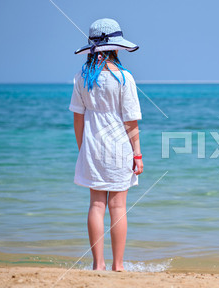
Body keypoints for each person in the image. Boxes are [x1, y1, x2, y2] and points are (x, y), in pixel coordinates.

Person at [69, 18, 143, 271]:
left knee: (96, 205)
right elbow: (130, 123)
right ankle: (118, 265)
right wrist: (138, 154)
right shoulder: (123, 78)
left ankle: (97, 265)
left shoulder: (82, 77)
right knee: (118, 206)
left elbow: (78, 118)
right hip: (119, 147)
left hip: (91, 146)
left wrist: (83, 149)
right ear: (116, 47)